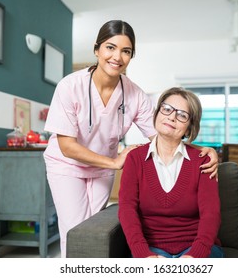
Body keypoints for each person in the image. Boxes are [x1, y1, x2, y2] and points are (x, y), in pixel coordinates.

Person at [43, 20, 219, 258]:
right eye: (110, 47)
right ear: (97, 50)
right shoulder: (69, 86)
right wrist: (115, 163)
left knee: (92, 232)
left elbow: (165, 133)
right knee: (74, 231)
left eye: (126, 51)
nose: (117, 56)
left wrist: (202, 149)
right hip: (67, 165)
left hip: (102, 169)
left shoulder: (134, 94)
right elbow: (67, 146)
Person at [118, 87, 224, 258]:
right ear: (157, 113)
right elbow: (126, 209)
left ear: (189, 128)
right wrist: (143, 254)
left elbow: (211, 214)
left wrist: (194, 256)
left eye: (182, 115)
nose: (172, 117)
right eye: (167, 109)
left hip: (196, 248)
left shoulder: (204, 161)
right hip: (151, 249)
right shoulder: (134, 159)